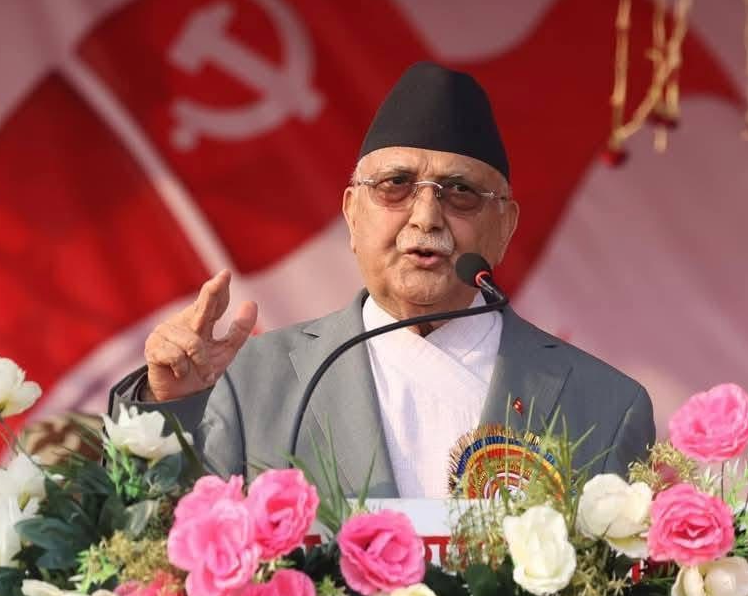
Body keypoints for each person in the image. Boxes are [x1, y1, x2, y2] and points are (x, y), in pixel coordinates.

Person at [110, 62, 654, 497]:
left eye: (461, 193)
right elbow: (152, 559)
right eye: (395, 185)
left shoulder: (602, 403)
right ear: (352, 212)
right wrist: (170, 406)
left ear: (505, 226)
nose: (426, 218)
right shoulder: (252, 380)